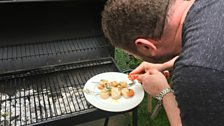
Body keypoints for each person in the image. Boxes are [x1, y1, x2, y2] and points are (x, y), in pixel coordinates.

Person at [101, 0, 224, 126]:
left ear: (145, 46)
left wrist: (164, 93)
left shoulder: (196, 73)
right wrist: (165, 64)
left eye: (133, 54)